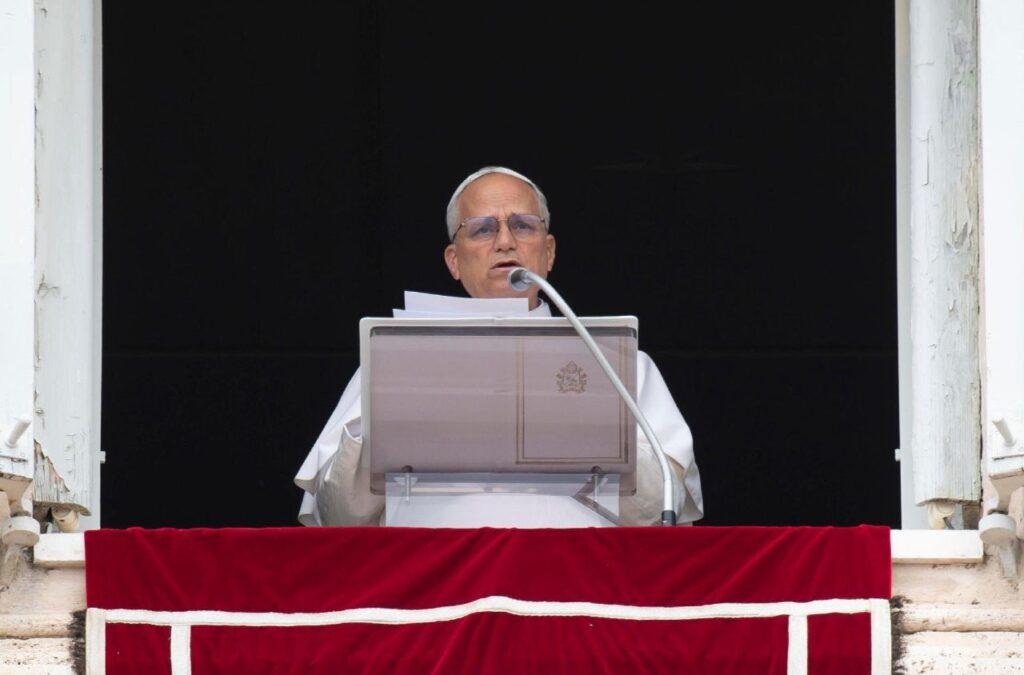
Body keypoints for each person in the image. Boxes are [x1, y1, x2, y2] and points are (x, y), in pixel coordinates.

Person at [294, 166, 703, 526]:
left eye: (523, 226)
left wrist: (571, 426)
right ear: (454, 260)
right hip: (439, 579)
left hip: (573, 578)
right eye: (483, 229)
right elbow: (339, 516)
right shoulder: (391, 364)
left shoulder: (616, 362)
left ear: (549, 252)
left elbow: (662, 511)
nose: (505, 241)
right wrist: (388, 422)